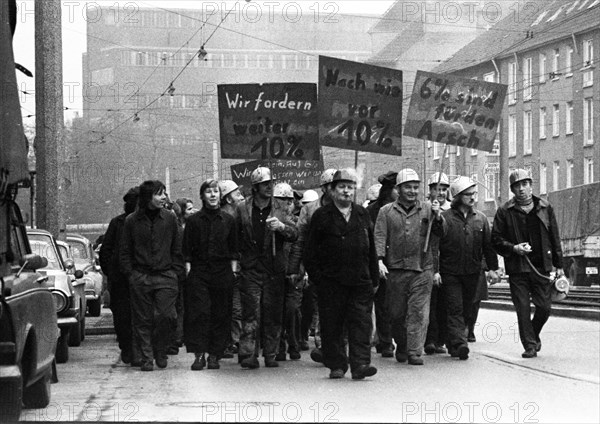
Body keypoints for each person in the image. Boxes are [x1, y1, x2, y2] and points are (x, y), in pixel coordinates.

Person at [304, 168, 378, 380]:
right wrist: (319, 278)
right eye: (342, 187)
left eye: (350, 187)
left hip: (360, 280)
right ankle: (336, 364)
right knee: (332, 324)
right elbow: (310, 252)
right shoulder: (321, 216)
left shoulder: (362, 214)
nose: (347, 191)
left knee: (361, 324)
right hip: (331, 282)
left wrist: (373, 277)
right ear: (332, 190)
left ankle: (360, 364)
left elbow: (371, 248)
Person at [492, 169, 564, 358]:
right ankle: (530, 345)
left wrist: (560, 266)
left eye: (524, 184)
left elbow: (554, 237)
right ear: (512, 190)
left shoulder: (545, 207)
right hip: (518, 268)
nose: (521, 189)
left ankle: (533, 333)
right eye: (517, 186)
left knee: (544, 308)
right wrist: (514, 248)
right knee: (522, 308)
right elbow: (496, 240)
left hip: (541, 267)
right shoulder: (505, 211)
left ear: (531, 185)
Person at [374, 168, 442, 366]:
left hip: (422, 269)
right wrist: (379, 260)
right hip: (395, 269)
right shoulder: (386, 212)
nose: (412, 191)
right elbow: (379, 236)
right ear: (398, 189)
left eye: (415, 187)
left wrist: (438, 217)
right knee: (396, 314)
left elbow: (441, 234)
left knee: (418, 312)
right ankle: (402, 344)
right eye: (408, 187)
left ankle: (414, 351)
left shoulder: (429, 208)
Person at [236, 167, 298, 369]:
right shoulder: (242, 208)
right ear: (255, 187)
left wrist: (281, 227)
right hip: (251, 268)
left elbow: (294, 233)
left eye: (270, 183)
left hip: (273, 269)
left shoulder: (280, 208)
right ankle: (248, 354)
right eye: (264, 184)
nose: (269, 187)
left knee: (272, 313)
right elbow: (234, 235)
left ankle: (270, 353)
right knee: (251, 312)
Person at [119, 180, 185, 371]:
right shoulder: (131, 221)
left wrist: (175, 271)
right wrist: (131, 274)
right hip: (141, 276)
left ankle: (161, 349)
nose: (164, 197)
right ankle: (147, 357)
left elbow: (177, 247)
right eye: (159, 194)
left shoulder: (170, 218)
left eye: (164, 193)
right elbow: (125, 251)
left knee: (167, 316)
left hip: (166, 276)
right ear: (148, 198)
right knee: (143, 319)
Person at [438, 176, 500, 360]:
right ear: (457, 196)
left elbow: (488, 246)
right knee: (454, 307)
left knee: (467, 308)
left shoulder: (480, 218)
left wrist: (493, 268)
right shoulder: (445, 218)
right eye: (467, 195)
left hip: (473, 272)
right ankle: (460, 344)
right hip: (450, 272)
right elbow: (436, 245)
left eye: (474, 194)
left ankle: (454, 342)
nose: (472, 198)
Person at [183, 179, 238, 371]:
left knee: (221, 313)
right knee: (200, 313)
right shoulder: (193, 221)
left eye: (216, 191)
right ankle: (199, 355)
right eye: (209, 192)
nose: (213, 195)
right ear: (202, 196)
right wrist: (190, 273)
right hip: (199, 272)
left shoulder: (228, 220)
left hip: (222, 272)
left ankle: (215, 354)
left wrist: (232, 272)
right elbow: (187, 251)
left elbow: (234, 250)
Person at [288, 169, 337, 363]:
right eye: (333, 186)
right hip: (318, 265)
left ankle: (336, 345)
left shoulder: (349, 207)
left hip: (343, 265)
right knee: (321, 305)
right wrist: (296, 267)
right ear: (324, 188)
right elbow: (300, 240)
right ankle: (323, 344)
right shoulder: (310, 210)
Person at [99, 186, 139, 366]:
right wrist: (111, 272)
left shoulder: (145, 222)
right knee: (122, 317)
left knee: (141, 315)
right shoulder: (118, 223)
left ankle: (139, 350)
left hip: (139, 276)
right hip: (120, 280)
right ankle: (127, 348)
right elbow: (105, 250)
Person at [366, 171, 398, 358]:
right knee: (383, 304)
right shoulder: (373, 211)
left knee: (399, 305)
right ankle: (385, 342)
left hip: (401, 261)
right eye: (395, 188)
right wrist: (376, 260)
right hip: (379, 263)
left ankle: (396, 339)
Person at [272, 183, 304, 361]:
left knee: (292, 310)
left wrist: (298, 271)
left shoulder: (295, 223)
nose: (286, 204)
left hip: (293, 274)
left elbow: (299, 248)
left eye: (288, 200)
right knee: (277, 310)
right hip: (275, 272)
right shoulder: (270, 221)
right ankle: (280, 346)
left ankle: (294, 343)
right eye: (282, 200)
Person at [424, 172, 451, 356]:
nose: (440, 193)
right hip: (431, 261)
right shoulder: (425, 209)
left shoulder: (450, 209)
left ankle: (442, 338)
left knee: (444, 304)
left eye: (443, 189)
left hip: (448, 262)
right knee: (430, 304)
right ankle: (429, 339)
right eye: (436, 189)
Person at [219, 179, 245, 357]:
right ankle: (225, 342)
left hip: (239, 269)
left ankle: (235, 341)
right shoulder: (220, 219)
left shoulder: (242, 216)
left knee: (236, 308)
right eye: (237, 194)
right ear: (228, 199)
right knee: (224, 307)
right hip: (221, 270)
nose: (241, 197)